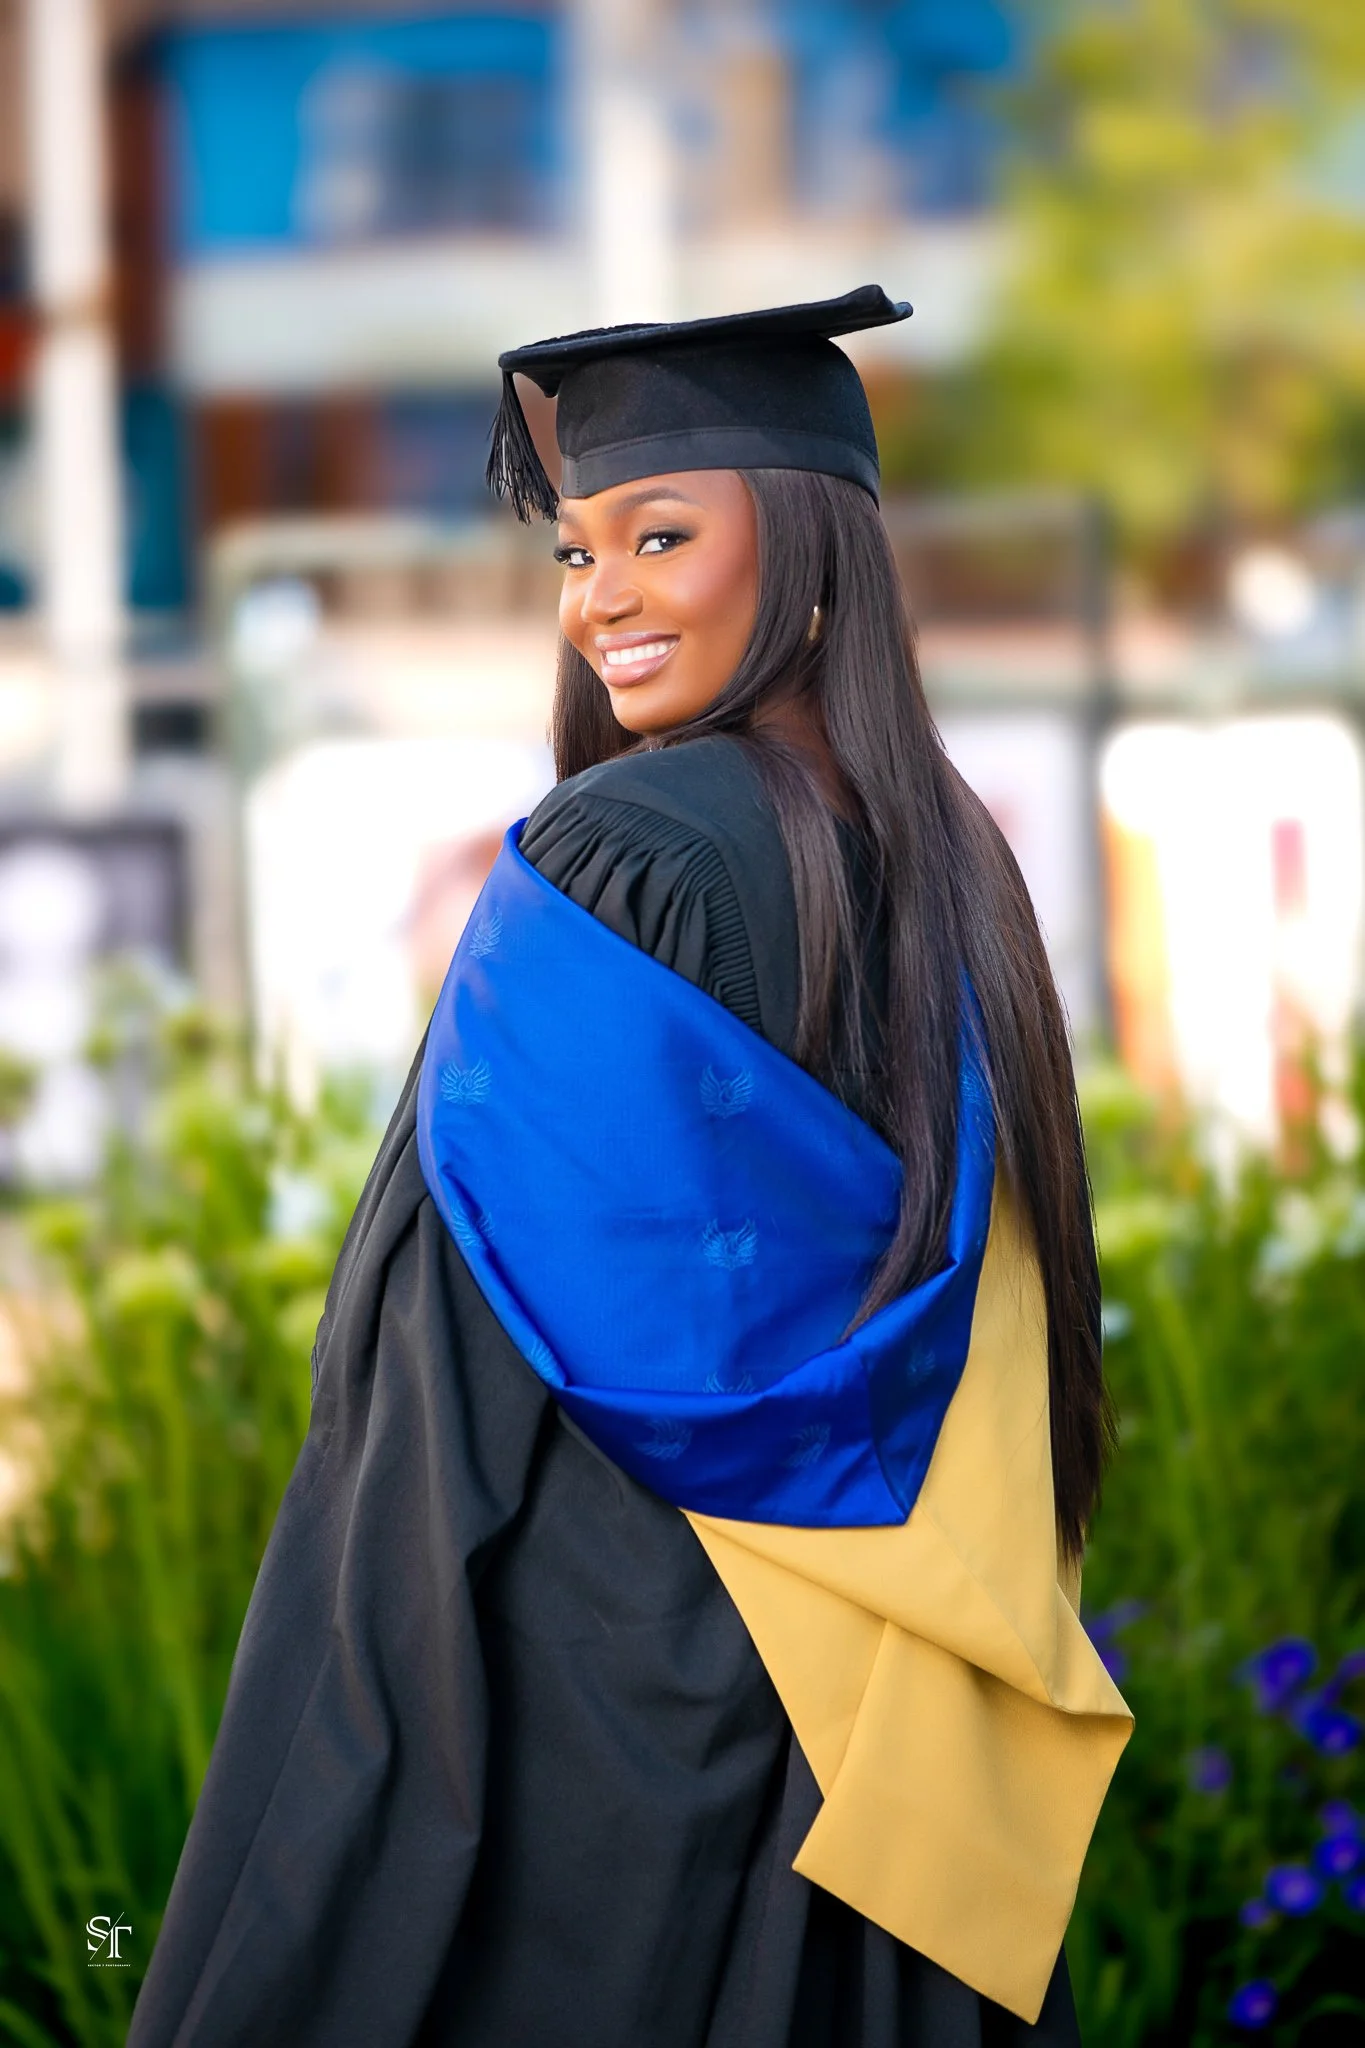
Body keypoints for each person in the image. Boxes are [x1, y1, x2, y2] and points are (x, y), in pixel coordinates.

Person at [128, 286, 1131, 2048]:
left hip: (605, 1732)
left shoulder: (624, 846)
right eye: (577, 553)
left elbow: (429, 1373)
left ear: (806, 546)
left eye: (659, 535)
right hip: (880, 1726)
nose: (599, 600)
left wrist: (351, 1770)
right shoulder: (950, 862)